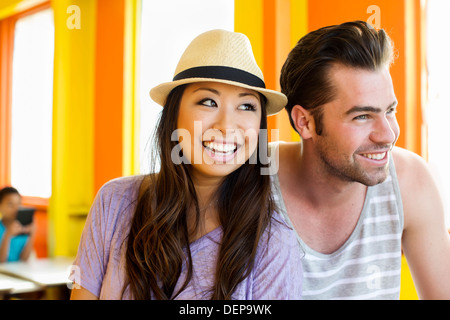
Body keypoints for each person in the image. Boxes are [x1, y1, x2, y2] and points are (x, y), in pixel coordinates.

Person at [70, 29, 303, 300]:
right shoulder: (115, 201)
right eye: (208, 102)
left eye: (247, 106)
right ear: (174, 114)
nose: (227, 126)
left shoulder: (273, 242)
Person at [272, 20, 450, 299]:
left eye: (389, 110)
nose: (388, 134)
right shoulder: (249, 176)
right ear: (303, 122)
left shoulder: (410, 182)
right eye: (362, 116)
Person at [0, 187, 36, 262]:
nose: (16, 208)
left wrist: (32, 234)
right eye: (10, 204)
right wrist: (7, 236)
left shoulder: (22, 229)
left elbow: (24, 259)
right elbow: (1, 261)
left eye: (18, 204)